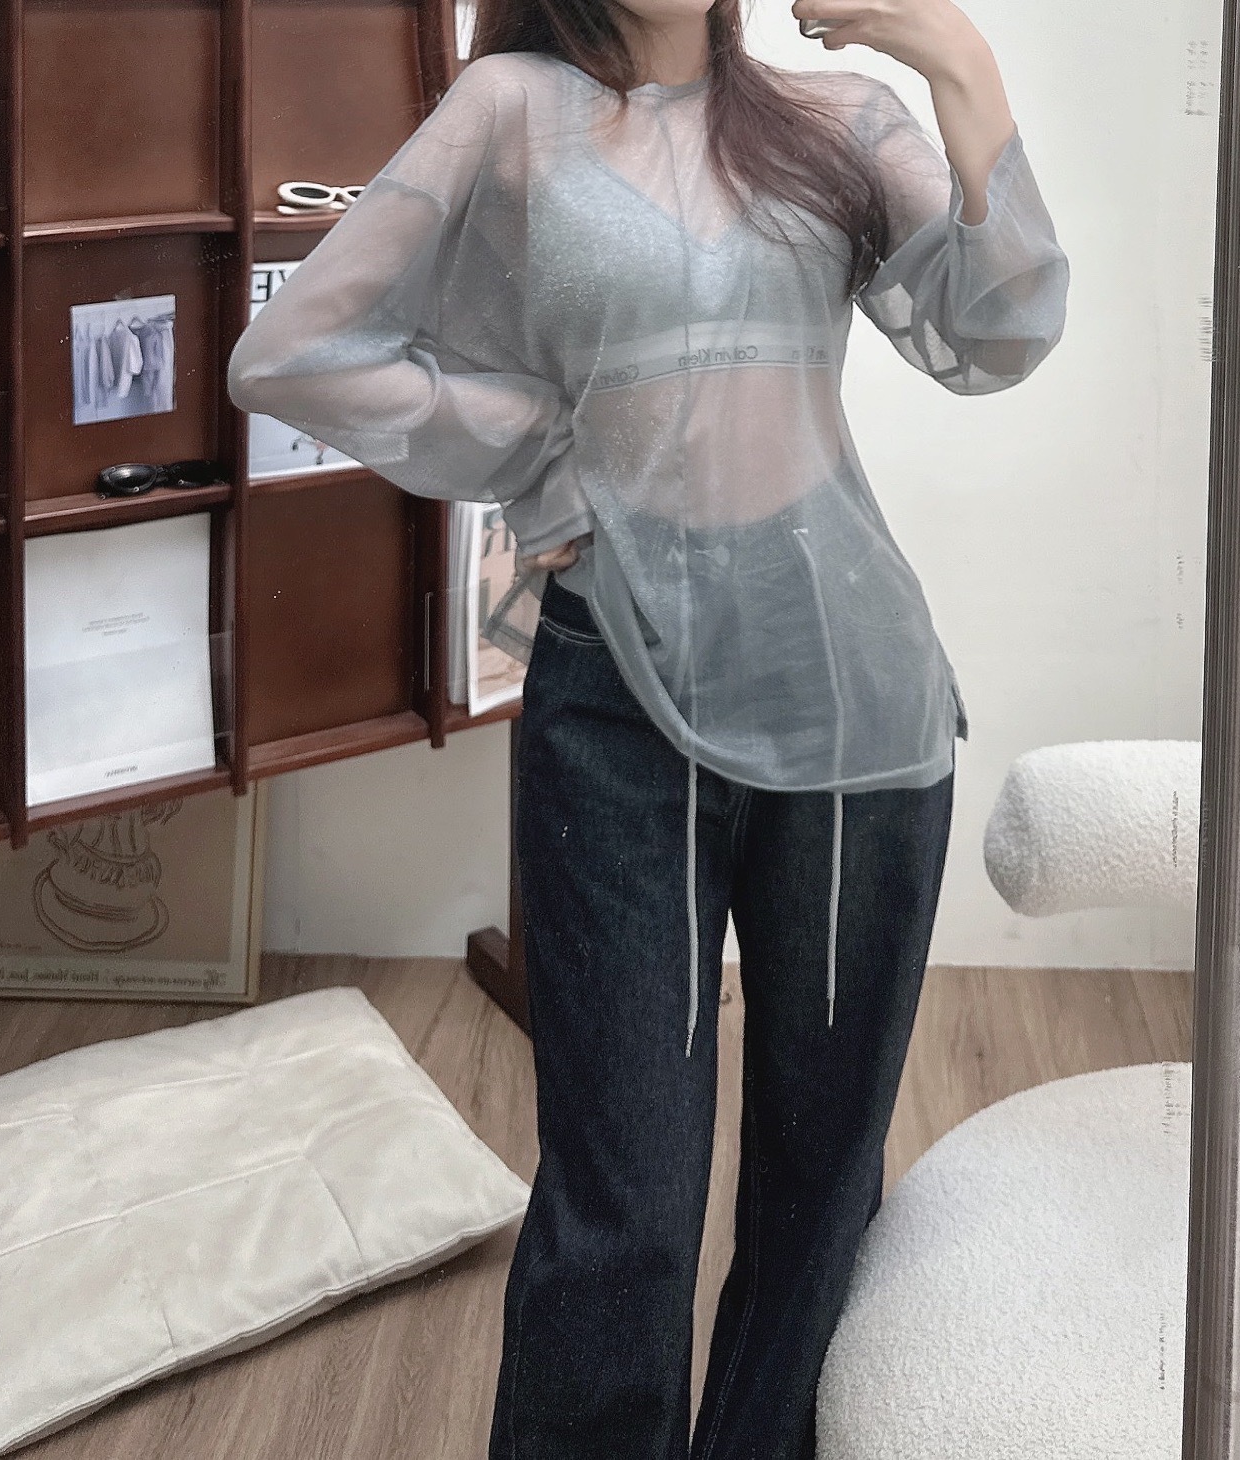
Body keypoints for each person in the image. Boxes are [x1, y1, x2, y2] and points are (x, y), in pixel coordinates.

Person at [225, 0, 1069, 1448]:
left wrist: (954, 57)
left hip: (853, 704)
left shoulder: (840, 124)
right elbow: (293, 350)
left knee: (822, 1179)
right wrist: (541, 456)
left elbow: (997, 333)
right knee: (625, 1199)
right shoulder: (508, 112)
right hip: (617, 698)